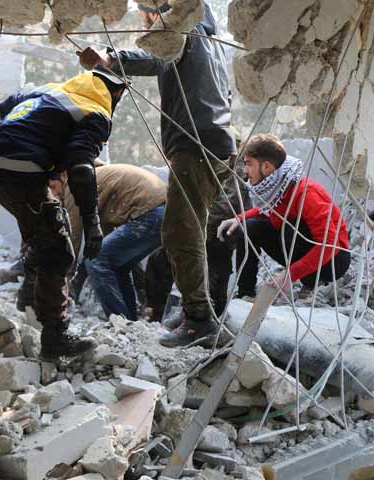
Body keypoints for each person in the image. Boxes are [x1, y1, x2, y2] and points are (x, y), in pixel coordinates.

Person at [79, 2, 244, 347]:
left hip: (196, 145)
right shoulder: (208, 41)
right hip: (211, 143)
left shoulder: (185, 34)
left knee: (182, 233)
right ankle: (194, 310)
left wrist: (111, 59)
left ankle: (200, 319)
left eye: (146, 16)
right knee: (187, 230)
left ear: (159, 14)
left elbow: (158, 56)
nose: (145, 26)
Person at [0, 69, 128, 359]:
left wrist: (23, 143)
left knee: (43, 233)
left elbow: (1, 111)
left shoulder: (46, 91)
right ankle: (55, 337)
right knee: (60, 252)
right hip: (21, 173)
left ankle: (29, 298)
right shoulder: (94, 111)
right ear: (116, 93)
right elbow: (82, 169)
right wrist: (92, 222)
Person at [217, 134, 351, 296]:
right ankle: (245, 293)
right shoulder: (278, 187)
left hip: (333, 261)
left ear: (266, 167)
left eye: (249, 164)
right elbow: (271, 209)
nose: (245, 171)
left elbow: (329, 244)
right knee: (249, 226)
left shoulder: (307, 194)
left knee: (290, 226)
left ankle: (311, 281)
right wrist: (239, 218)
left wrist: (290, 275)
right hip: (299, 247)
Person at [51, 162, 166, 321]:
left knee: (96, 260)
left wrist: (63, 281)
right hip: (162, 213)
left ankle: (118, 320)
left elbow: (72, 240)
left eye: (53, 187)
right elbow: (104, 243)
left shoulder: (73, 186)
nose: (54, 195)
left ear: (63, 176)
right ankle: (128, 321)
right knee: (116, 265)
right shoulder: (98, 182)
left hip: (149, 212)